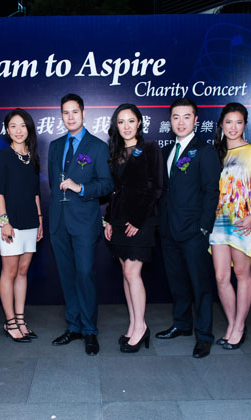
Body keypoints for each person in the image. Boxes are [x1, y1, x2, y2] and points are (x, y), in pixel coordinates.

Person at [48, 93, 114, 356]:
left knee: (85, 274)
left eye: (75, 111)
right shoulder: (55, 146)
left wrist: (81, 187)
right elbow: (53, 184)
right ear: (61, 116)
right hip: (59, 221)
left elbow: (107, 184)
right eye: (65, 112)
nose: (70, 117)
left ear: (83, 113)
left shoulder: (97, 146)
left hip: (85, 222)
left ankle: (89, 330)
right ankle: (73, 326)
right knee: (66, 275)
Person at [156, 97, 221, 359]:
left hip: (194, 231)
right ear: (170, 121)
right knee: (177, 282)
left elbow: (212, 191)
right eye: (175, 117)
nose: (180, 122)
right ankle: (182, 324)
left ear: (196, 120)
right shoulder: (165, 151)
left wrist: (204, 228)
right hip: (168, 229)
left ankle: (204, 336)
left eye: (186, 117)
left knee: (200, 285)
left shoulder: (204, 151)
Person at [103, 104, 163, 353]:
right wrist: (108, 220)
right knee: (126, 274)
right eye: (121, 122)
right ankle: (134, 324)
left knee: (132, 273)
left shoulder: (150, 149)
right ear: (116, 126)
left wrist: (138, 221)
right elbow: (115, 191)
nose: (126, 126)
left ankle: (141, 327)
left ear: (139, 122)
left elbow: (156, 188)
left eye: (130, 121)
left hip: (142, 220)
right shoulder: (115, 151)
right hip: (119, 219)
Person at [209, 103, 251, 350]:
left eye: (239, 122)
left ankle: (240, 327)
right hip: (219, 222)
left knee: (242, 274)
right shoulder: (215, 154)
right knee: (221, 277)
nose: (233, 127)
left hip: (244, 220)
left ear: (245, 125)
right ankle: (231, 324)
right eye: (229, 122)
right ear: (221, 124)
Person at [0, 109, 44, 343]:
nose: (18, 130)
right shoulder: (2, 156)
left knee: (23, 271)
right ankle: (10, 321)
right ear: (7, 130)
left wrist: (40, 219)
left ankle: (21, 320)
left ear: (29, 128)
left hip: (30, 221)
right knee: (10, 271)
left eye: (22, 125)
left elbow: (35, 193)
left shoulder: (32, 156)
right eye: (13, 126)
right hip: (10, 224)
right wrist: (4, 222)